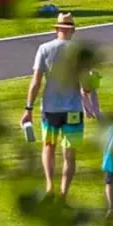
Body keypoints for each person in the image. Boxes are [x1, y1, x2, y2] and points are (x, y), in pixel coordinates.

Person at [21, 12, 99, 199]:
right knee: (69, 154)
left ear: (57, 29)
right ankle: (64, 192)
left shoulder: (45, 49)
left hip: (50, 108)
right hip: (72, 109)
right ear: (72, 30)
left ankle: (49, 184)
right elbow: (87, 88)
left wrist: (28, 108)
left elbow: (36, 82)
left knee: (48, 146)